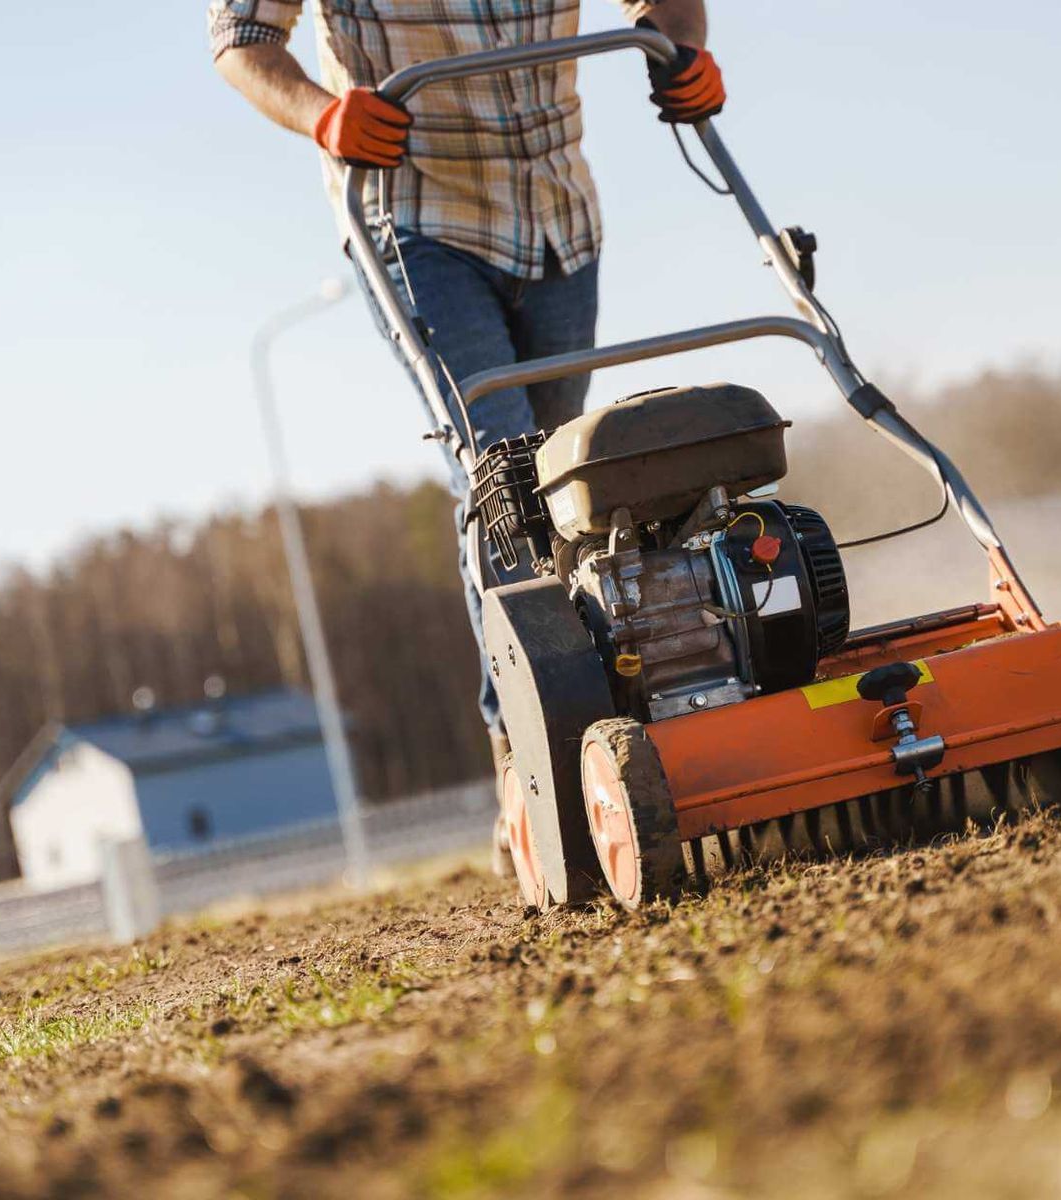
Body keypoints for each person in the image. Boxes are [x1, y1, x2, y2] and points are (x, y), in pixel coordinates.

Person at [209, 0, 724, 866]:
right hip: (418, 224)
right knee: (502, 477)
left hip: (560, 221)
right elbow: (241, 41)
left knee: (573, 487)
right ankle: (526, 757)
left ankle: (635, 697)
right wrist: (323, 115)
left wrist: (682, 47)